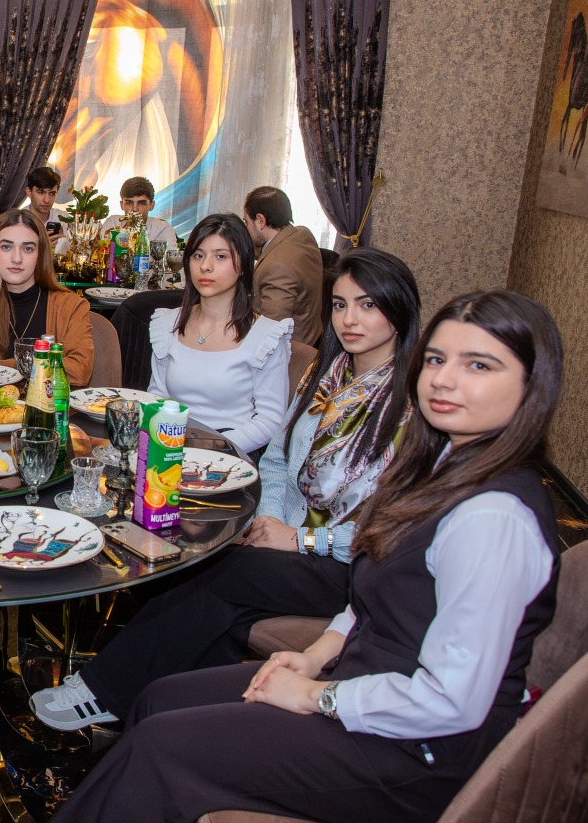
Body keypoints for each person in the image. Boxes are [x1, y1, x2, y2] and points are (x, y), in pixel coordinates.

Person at [14, 289, 564, 823]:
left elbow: (452, 702)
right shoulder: (439, 466)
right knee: (158, 699)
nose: (445, 380)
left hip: (414, 757)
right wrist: (317, 654)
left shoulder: (494, 518)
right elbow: (372, 598)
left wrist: (316, 696)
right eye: (437, 359)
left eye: (479, 365)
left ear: (532, 385)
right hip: (363, 684)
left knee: (162, 747)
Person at [31, 249, 420, 730]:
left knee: (211, 573)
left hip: (348, 564)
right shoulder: (329, 375)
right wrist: (270, 519)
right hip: (288, 537)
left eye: (367, 305)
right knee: (213, 598)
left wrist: (301, 540)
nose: (350, 319)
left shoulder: (410, 406)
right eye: (340, 305)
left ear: (398, 311)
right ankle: (172, 713)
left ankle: (100, 691)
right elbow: (277, 459)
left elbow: (399, 529)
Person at [148, 212, 293, 456]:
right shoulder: (168, 323)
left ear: (243, 265)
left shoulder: (265, 336)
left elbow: (270, 420)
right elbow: (157, 397)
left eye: (221, 256)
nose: (205, 266)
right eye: (198, 255)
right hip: (171, 448)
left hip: (232, 454)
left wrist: (211, 447)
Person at [0, 208, 93, 386]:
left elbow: (79, 370)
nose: (17, 258)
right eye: (6, 247)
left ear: (40, 255)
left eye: (28, 248)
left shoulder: (70, 305)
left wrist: (5, 368)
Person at [244, 184, 325, 347]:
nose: (246, 229)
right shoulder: (302, 234)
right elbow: (268, 251)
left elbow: (270, 331)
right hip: (314, 335)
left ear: (260, 221)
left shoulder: (276, 268)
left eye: (246, 222)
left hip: (292, 351)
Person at [102, 175, 177, 245]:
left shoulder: (162, 229)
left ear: (151, 205)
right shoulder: (113, 223)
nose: (135, 209)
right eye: (129, 203)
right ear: (122, 205)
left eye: (141, 203)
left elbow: (169, 255)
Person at [15, 165, 67, 252]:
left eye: (52, 193)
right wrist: (41, 246)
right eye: (41, 192)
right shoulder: (17, 221)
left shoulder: (63, 219)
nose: (47, 200)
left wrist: (65, 244)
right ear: (29, 192)